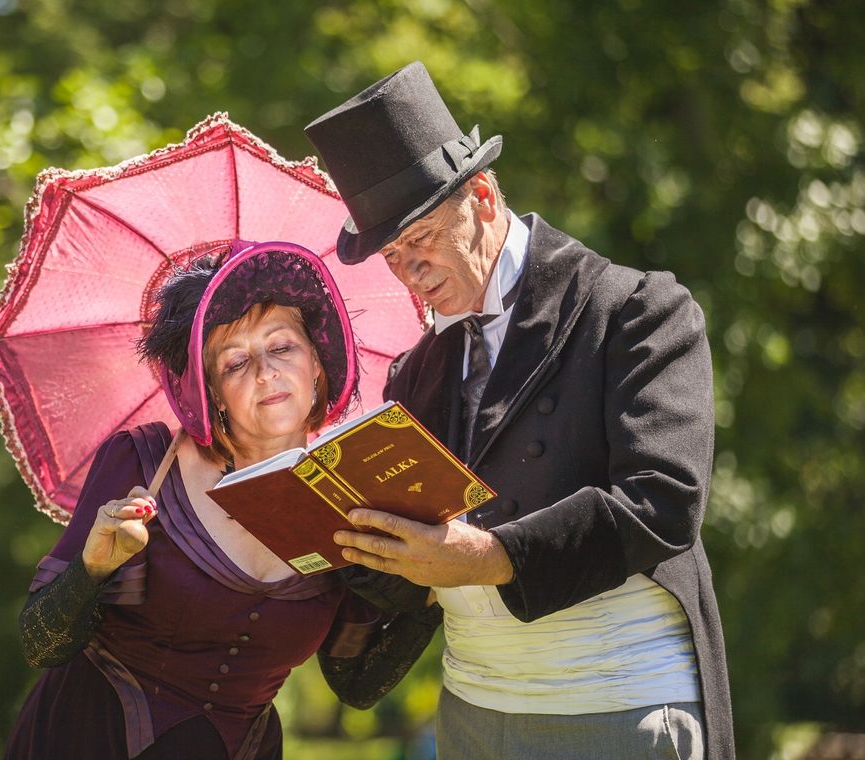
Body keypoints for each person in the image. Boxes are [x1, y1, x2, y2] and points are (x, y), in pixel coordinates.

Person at [304, 62, 735, 759]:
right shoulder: (415, 373)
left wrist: (488, 557)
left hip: (615, 707)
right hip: (470, 712)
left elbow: (664, 503)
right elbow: (410, 559)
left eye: (418, 240)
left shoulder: (635, 310)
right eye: (390, 256)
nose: (408, 272)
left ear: (479, 196)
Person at [4, 240, 441, 760]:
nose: (264, 372)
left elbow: (356, 685)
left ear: (319, 363)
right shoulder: (142, 465)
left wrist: (432, 588)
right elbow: (40, 644)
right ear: (208, 390)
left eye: (282, 347)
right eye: (235, 361)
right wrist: (92, 568)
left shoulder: (352, 494)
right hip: (88, 739)